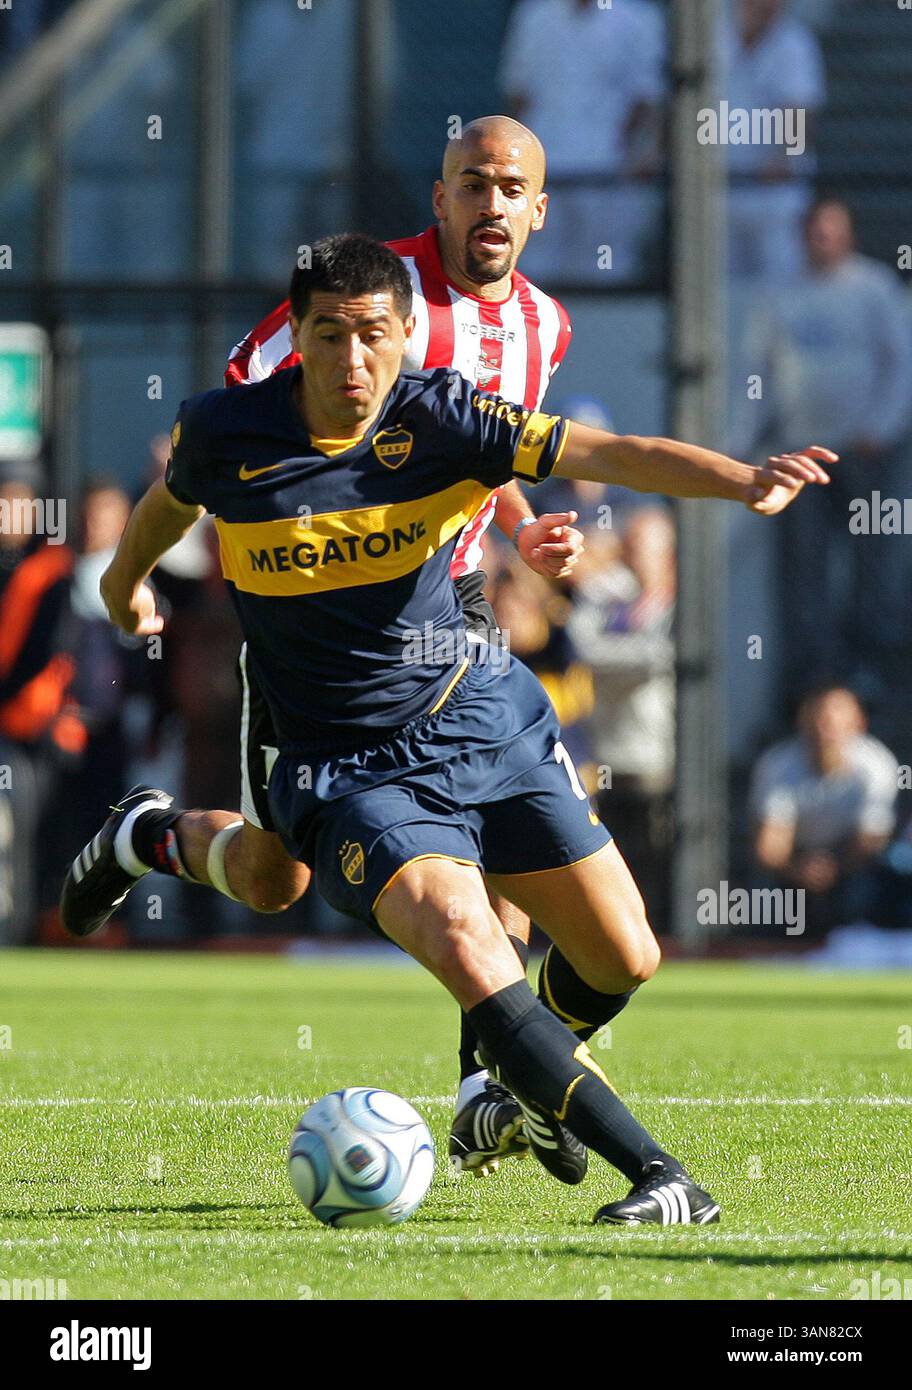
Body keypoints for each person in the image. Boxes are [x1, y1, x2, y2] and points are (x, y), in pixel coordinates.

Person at [62, 233, 834, 1224]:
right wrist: (126, 588)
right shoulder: (230, 430)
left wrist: (739, 479)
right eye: (328, 334)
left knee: (623, 955)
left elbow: (613, 455)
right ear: (293, 334)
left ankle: (155, 836)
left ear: (407, 337)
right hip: (337, 756)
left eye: (373, 336)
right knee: (455, 935)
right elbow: (167, 508)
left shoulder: (445, 417)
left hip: (474, 713)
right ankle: (658, 1172)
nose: (351, 360)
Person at [218, 116, 586, 1176]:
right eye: (474, 184)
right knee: (270, 875)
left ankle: (487, 1081)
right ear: (440, 197)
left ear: (539, 209)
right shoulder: (375, 303)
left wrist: (520, 528)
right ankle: (150, 837)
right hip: (321, 620)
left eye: (512, 188)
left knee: (508, 842)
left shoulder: (545, 330)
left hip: (454, 607)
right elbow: (244, 379)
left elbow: (484, 445)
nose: (493, 204)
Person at [734, 198, 912, 685]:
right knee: (804, 568)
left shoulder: (874, 288)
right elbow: (758, 377)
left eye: (832, 232)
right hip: (800, 455)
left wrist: (880, 427)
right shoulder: (779, 294)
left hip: (863, 453)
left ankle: (870, 667)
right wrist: (741, 440)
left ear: (848, 235)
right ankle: (812, 674)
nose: (823, 241)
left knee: (870, 561)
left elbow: (901, 365)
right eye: (816, 232)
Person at [500, 0, 665, 284]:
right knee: (538, 262)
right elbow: (519, 92)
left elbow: (647, 99)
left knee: (607, 266)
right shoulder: (535, 16)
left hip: (608, 171)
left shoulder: (639, 20)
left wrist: (635, 152)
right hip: (546, 167)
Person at [750, 683, 899, 936]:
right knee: (766, 900)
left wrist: (835, 867)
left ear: (858, 723)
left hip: (852, 865)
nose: (825, 729)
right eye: (819, 719)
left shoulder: (877, 766)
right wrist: (799, 869)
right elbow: (771, 845)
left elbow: (871, 840)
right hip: (793, 865)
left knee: (871, 888)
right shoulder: (778, 765)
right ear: (802, 722)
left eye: (835, 719)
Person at [721, 0, 826, 284]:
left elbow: (800, 109)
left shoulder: (795, 44)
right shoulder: (715, 38)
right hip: (723, 190)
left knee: (781, 280)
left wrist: (783, 159)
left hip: (775, 195)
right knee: (722, 284)